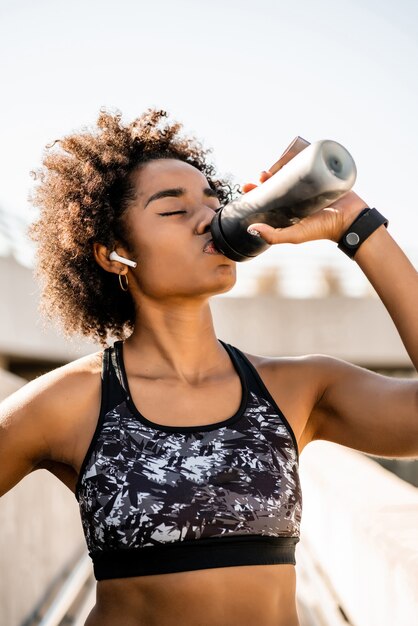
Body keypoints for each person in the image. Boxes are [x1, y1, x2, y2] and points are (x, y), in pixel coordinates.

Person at [1, 109, 417, 626]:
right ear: (113, 254)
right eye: (173, 210)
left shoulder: (297, 388)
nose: (208, 219)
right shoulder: (72, 402)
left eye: (215, 203)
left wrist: (359, 229)